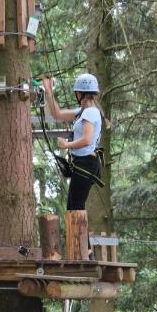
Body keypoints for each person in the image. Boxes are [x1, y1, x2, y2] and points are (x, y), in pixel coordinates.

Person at [41, 72, 104, 212]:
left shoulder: (90, 112)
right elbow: (57, 115)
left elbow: (87, 139)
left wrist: (66, 145)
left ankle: (78, 234)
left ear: (80, 93)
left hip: (85, 163)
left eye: (76, 93)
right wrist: (49, 91)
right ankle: (78, 234)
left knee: (75, 207)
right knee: (74, 206)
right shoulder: (84, 111)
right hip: (83, 163)